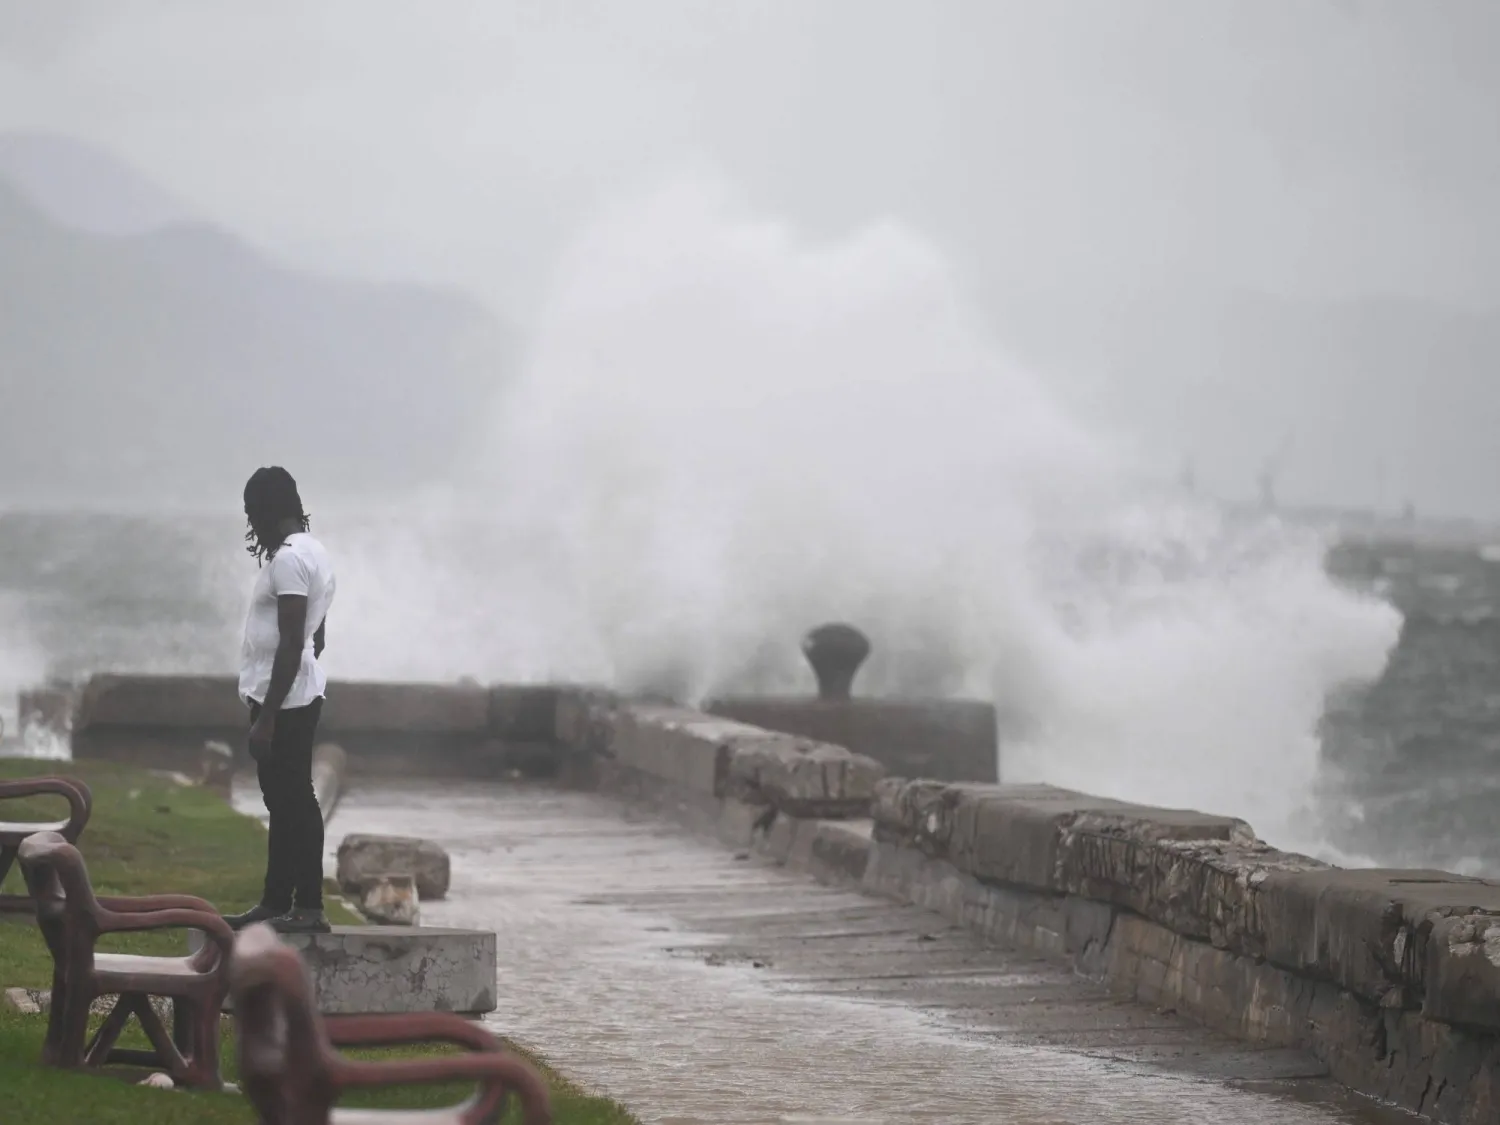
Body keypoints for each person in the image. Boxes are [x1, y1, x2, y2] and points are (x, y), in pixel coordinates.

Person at [224, 467, 337, 934]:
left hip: (284, 700)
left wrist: (267, 716)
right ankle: (276, 902)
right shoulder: (315, 551)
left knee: (295, 799)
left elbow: (293, 640)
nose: (251, 523)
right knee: (285, 799)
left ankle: (307, 906)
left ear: (269, 512)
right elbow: (317, 632)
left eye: (253, 513)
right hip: (296, 692)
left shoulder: (289, 560)